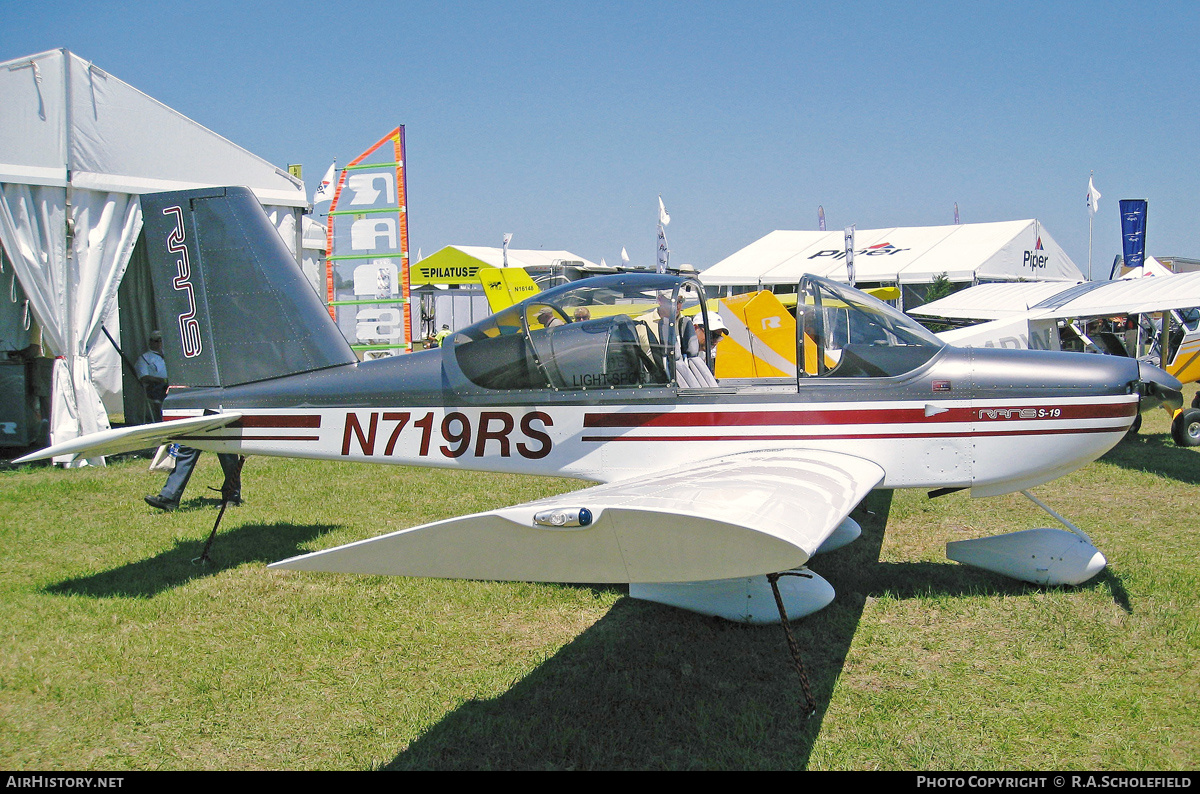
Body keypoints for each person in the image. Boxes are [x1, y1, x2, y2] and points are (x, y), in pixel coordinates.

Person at [141, 330, 243, 511]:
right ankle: (169, 497)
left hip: (221, 405)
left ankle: (232, 496)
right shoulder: (197, 352)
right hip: (200, 405)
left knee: (227, 453)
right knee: (188, 447)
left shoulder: (223, 350)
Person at [135, 331, 168, 422]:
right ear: (151, 342)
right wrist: (163, 380)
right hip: (157, 387)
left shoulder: (168, 355)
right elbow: (143, 377)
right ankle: (161, 420)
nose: (159, 343)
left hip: (172, 384)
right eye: (156, 341)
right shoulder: (144, 358)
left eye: (161, 341)